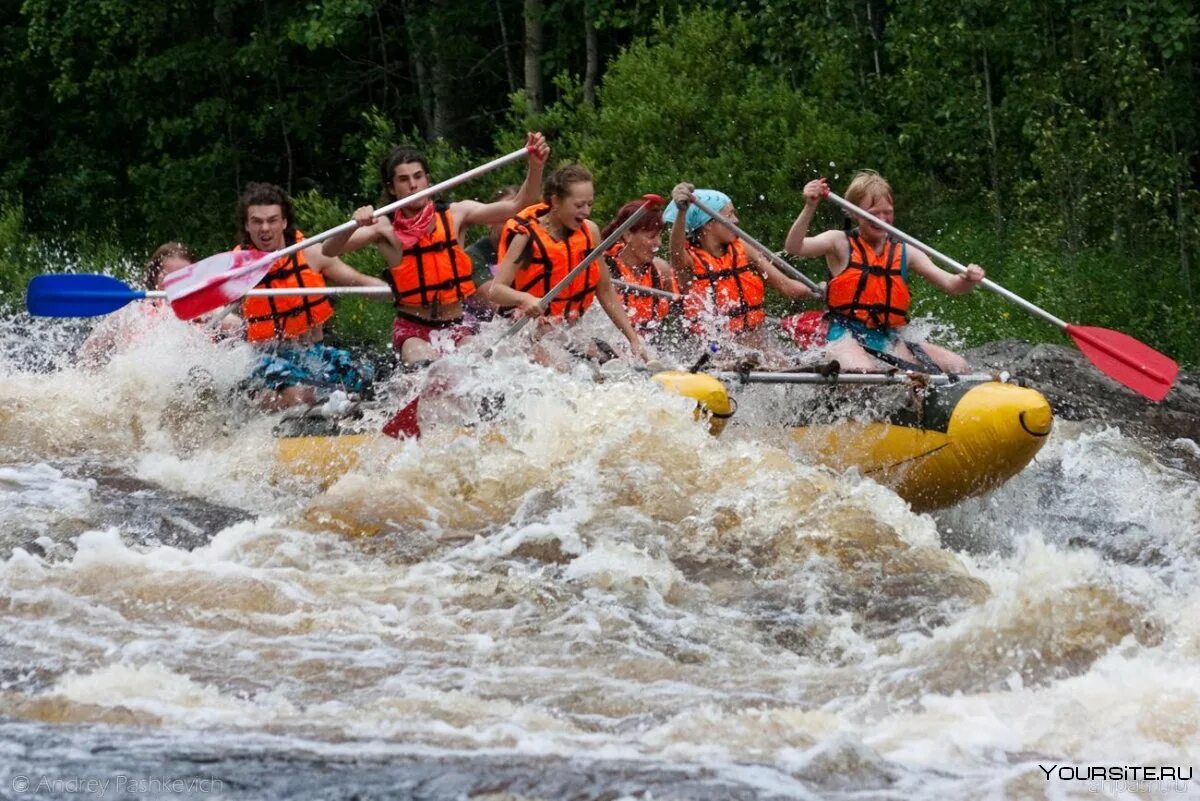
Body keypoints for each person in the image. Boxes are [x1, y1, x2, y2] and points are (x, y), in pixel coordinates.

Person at [322, 134, 550, 368]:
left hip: (457, 325)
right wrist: (354, 224)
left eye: (418, 177)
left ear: (427, 180)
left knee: (481, 372)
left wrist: (536, 166)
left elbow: (518, 205)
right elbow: (329, 249)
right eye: (403, 179)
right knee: (429, 369)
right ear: (392, 188)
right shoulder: (383, 227)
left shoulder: (457, 214)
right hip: (413, 329)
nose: (413, 185)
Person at [783, 172, 984, 373]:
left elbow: (952, 285)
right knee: (865, 374)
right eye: (874, 212)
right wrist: (810, 206)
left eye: (887, 212)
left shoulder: (906, 252)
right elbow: (794, 247)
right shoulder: (839, 242)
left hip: (888, 337)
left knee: (958, 367)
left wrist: (967, 278)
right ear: (853, 213)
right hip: (844, 335)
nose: (882, 219)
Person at [233, 182, 386, 409]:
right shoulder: (236, 269)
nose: (264, 228)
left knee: (369, 380)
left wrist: (398, 292)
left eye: (272, 220)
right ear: (247, 225)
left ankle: (337, 410)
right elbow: (210, 310)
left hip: (313, 352)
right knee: (300, 396)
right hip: (266, 357)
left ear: (284, 222)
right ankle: (270, 407)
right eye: (257, 221)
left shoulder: (312, 254)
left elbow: (362, 282)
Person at [488, 164, 649, 366]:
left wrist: (633, 339)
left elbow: (605, 290)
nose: (586, 212)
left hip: (568, 330)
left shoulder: (590, 232)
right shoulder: (526, 236)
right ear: (556, 200)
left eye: (590, 204)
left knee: (615, 366)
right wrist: (525, 298)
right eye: (579, 205)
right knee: (560, 369)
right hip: (526, 331)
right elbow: (496, 290)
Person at [665, 183, 817, 351]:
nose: (736, 220)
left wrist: (818, 291)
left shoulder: (742, 247)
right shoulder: (689, 261)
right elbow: (675, 253)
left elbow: (787, 287)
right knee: (736, 361)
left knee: (773, 359)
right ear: (708, 224)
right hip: (712, 351)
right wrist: (682, 212)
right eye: (729, 215)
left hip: (756, 342)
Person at [78, 242, 197, 368]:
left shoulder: (207, 314)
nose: (175, 284)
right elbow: (87, 354)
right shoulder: (129, 313)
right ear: (154, 277)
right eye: (168, 277)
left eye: (183, 277)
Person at [601, 200, 679, 342]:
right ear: (628, 235)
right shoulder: (604, 269)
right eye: (651, 237)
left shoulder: (662, 271)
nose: (659, 243)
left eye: (659, 235)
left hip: (649, 349)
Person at [463, 185, 520, 321]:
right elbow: (496, 303)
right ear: (489, 221)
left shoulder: (533, 250)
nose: (513, 223)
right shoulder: (472, 256)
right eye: (506, 217)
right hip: (480, 329)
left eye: (519, 216)